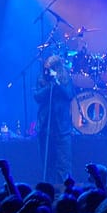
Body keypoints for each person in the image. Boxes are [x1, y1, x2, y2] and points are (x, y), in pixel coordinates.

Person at [33, 54, 75, 183]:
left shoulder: (66, 80)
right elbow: (37, 96)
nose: (46, 71)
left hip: (62, 129)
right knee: (47, 165)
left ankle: (65, 194)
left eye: (49, 68)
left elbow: (69, 95)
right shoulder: (42, 80)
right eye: (45, 68)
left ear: (57, 68)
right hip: (45, 128)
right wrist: (49, 86)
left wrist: (57, 83)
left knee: (63, 165)